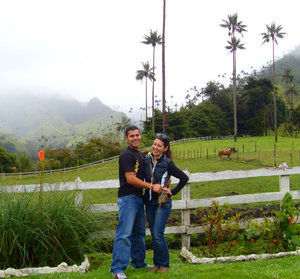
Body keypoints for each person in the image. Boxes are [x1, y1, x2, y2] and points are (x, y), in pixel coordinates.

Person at [110, 126, 162, 279]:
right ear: (126, 138)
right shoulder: (126, 155)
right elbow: (130, 178)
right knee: (124, 234)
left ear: (140, 136)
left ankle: (138, 262)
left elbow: (149, 172)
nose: (135, 138)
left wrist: (164, 179)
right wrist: (152, 186)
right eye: (131, 136)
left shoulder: (140, 155)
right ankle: (117, 269)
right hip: (128, 198)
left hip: (138, 199)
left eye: (137, 135)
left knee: (139, 233)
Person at [143, 133, 189, 273]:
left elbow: (184, 178)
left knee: (158, 233)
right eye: (154, 144)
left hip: (162, 203)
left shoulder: (167, 163)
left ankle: (165, 264)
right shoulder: (146, 161)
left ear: (165, 148)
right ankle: (157, 264)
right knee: (153, 233)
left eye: (159, 146)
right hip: (149, 203)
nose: (155, 147)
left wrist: (172, 191)